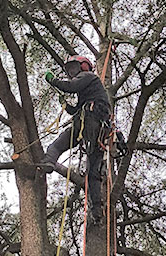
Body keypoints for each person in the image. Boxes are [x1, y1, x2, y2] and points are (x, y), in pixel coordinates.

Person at [40, 55, 112, 225]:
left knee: (57, 145)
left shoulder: (89, 77)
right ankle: (97, 210)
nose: (72, 73)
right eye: (70, 71)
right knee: (92, 172)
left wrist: (54, 81)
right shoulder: (88, 89)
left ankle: (49, 162)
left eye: (74, 69)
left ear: (83, 67)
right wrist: (66, 106)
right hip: (94, 129)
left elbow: (71, 86)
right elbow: (75, 110)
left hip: (90, 123)